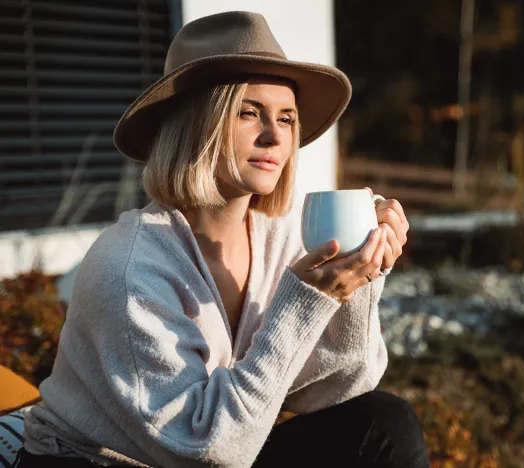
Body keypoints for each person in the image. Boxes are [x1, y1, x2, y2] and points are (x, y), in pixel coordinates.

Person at [17, 11, 429, 468]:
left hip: (217, 443)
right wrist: (303, 303)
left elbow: (336, 389)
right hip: (98, 461)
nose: (275, 136)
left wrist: (360, 276)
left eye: (287, 119)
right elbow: (208, 450)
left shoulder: (280, 241)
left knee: (383, 423)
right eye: (249, 113)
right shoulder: (129, 267)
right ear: (196, 124)